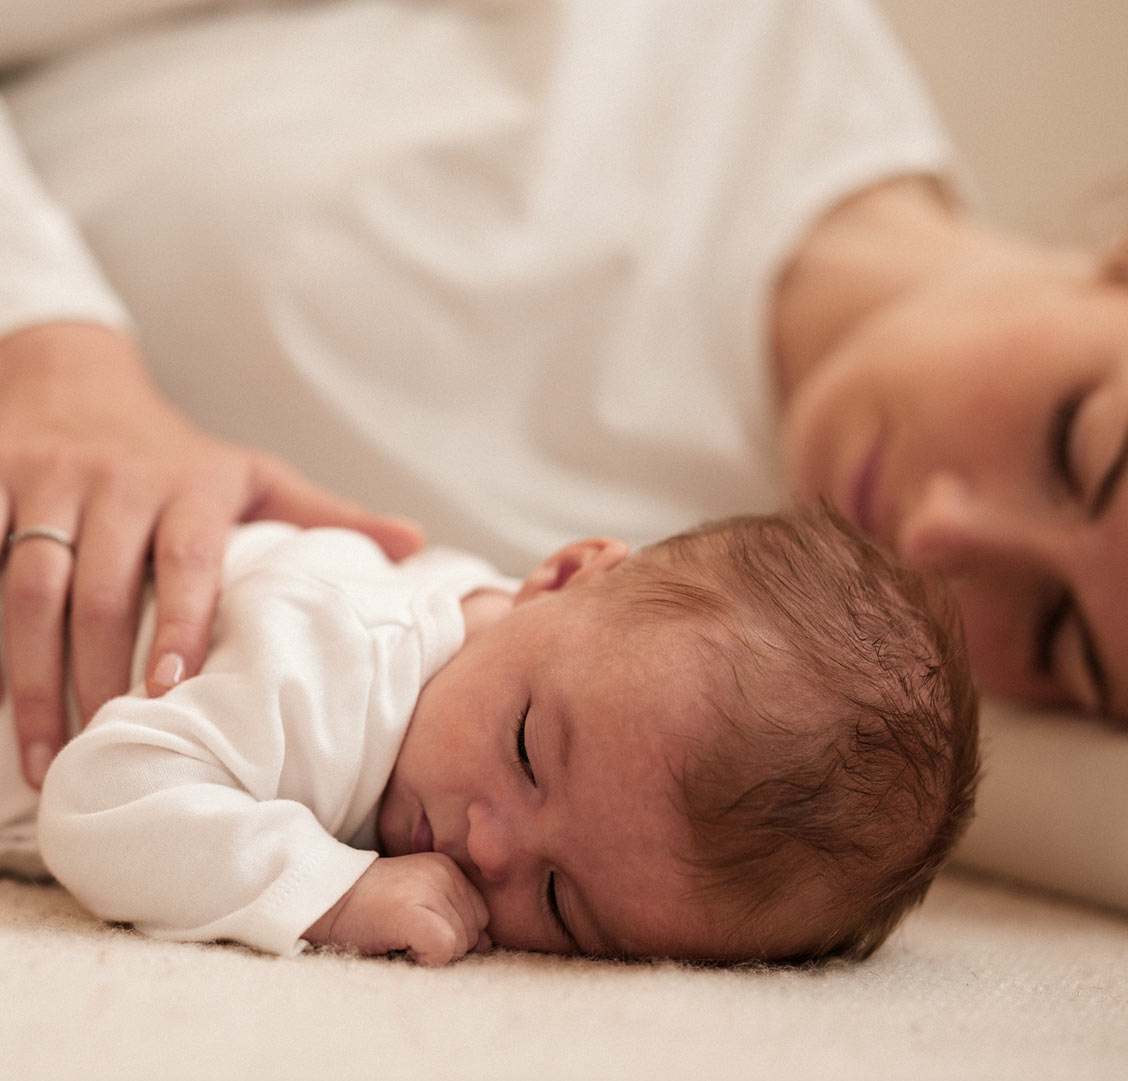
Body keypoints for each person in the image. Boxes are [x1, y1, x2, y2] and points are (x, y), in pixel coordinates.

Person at [0, 0, 1122, 786]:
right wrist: (49, 354)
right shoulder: (731, 42)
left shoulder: (752, 739)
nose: (941, 534)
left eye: (1061, 633)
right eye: (1076, 446)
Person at [14, 506, 976, 966]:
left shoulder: (537, 652)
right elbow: (99, 798)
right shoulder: (337, 658)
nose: (488, 845)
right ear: (560, 577)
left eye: (560, 901)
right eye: (525, 748)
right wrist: (334, 890)